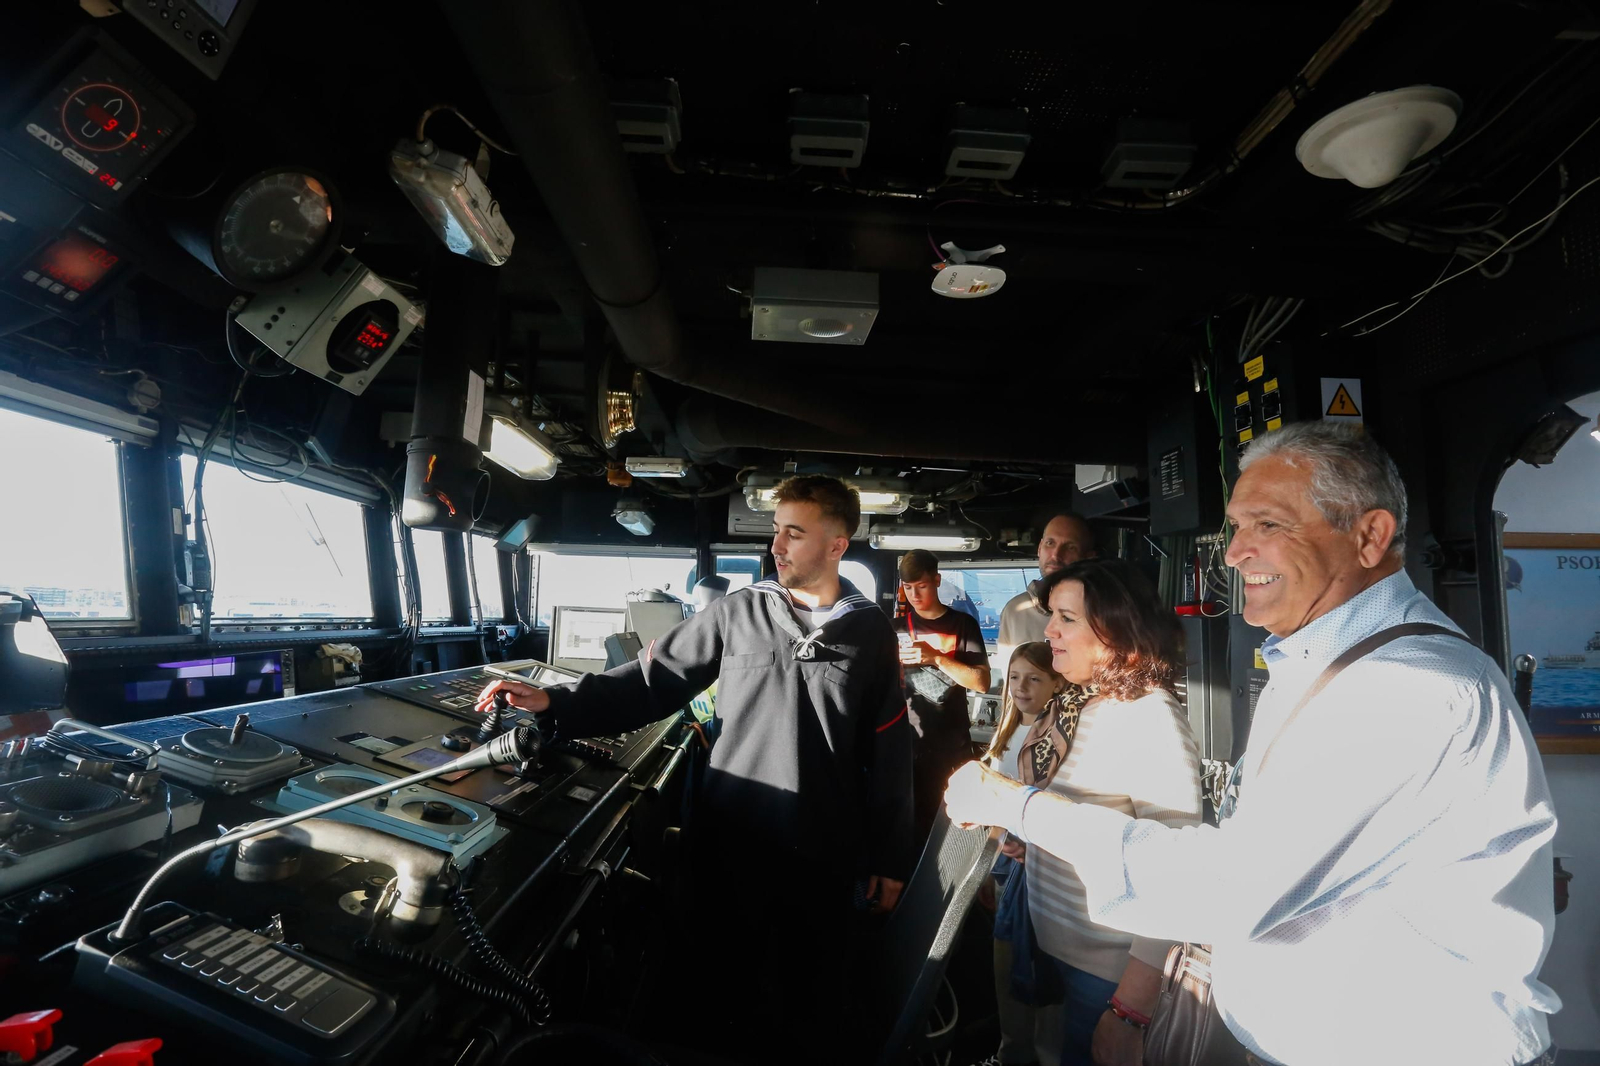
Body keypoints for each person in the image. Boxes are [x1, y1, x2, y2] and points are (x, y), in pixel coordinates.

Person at [946, 422, 1560, 1066]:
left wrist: (1014, 805)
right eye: (1237, 527)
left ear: (1370, 537)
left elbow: (1232, 886)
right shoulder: (1322, 663)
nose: (1236, 553)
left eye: (1267, 524)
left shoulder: (1404, 688)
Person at [476, 474, 912, 1061]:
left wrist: (888, 860)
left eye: (794, 534)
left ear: (837, 545)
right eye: (776, 532)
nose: (777, 547)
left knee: (807, 996)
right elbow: (653, 684)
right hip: (733, 836)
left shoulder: (870, 633)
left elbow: (890, 755)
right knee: (720, 988)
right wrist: (558, 702)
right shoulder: (740, 612)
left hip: (823, 849)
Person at [979, 642, 1070, 1066]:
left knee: (1042, 971)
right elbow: (995, 804)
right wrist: (997, 850)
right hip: (1006, 866)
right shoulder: (1008, 731)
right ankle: (1011, 1050)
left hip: (1043, 870)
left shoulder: (1062, 739)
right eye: (1015, 677)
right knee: (1005, 967)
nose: (1022, 687)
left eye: (1035, 678)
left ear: (1056, 683)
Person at [896, 548, 990, 834]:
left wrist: (936, 657)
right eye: (908, 588)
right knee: (909, 823)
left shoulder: (963, 625)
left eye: (921, 586)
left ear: (937, 581)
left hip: (951, 744)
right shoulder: (895, 627)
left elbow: (980, 682)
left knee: (950, 824)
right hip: (906, 741)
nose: (915, 595)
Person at [996, 514, 1096, 669]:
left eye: (1070, 547)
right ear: (1039, 548)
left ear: (1088, 557)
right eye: (1050, 543)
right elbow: (1009, 677)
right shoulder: (1014, 610)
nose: (1056, 555)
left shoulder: (1100, 609)